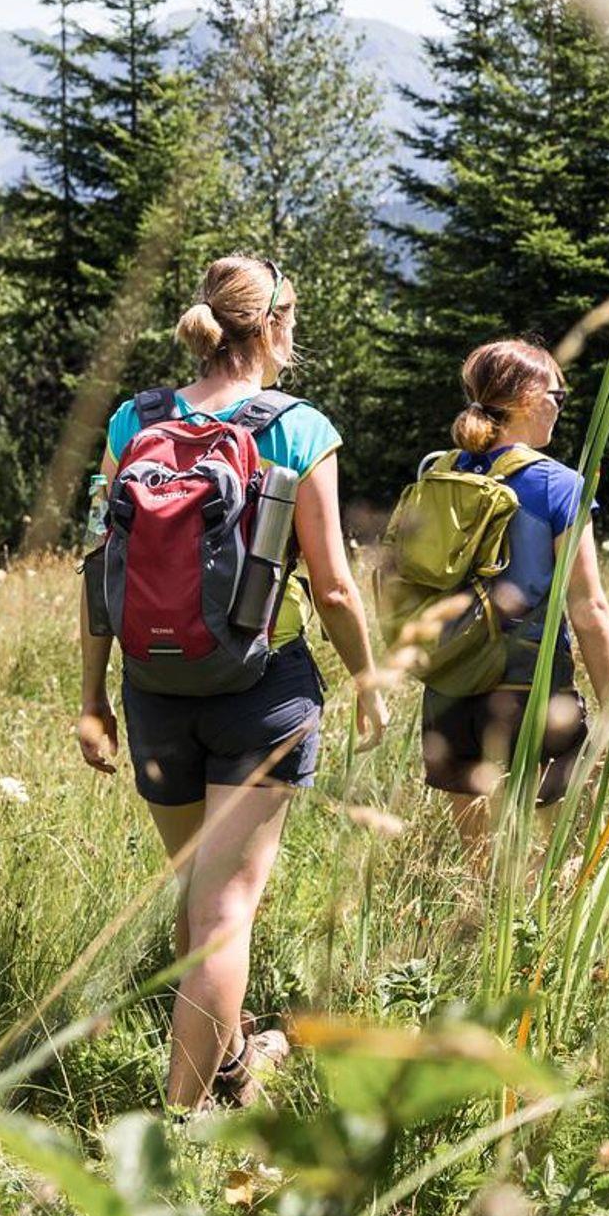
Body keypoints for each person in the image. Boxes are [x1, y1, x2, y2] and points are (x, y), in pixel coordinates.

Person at [74, 255, 387, 1111]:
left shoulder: (135, 420)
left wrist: (93, 697)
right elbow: (332, 587)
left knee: (197, 893)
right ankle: (182, 1125)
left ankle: (233, 1065)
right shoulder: (299, 428)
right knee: (225, 914)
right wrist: (369, 680)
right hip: (262, 691)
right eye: (294, 321)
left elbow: (101, 564)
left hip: (153, 686)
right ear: (274, 326)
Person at [417, 339, 609, 856]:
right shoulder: (558, 485)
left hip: (449, 692)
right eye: (557, 396)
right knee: (549, 864)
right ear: (528, 399)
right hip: (532, 695)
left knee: (479, 867)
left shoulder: (437, 474)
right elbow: (588, 608)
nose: (560, 407)